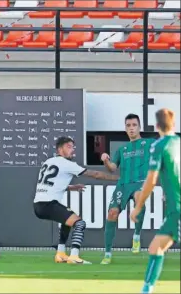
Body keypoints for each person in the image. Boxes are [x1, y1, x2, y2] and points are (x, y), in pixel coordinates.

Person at [33, 136, 119, 264]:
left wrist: (71, 187)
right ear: (60, 149)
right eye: (69, 146)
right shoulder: (67, 164)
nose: (72, 149)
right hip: (49, 204)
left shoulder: (48, 162)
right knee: (80, 223)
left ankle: (60, 254)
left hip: (38, 205)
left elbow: (50, 184)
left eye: (73, 147)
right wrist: (118, 179)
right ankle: (74, 256)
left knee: (67, 222)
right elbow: (95, 174)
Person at [130, 109, 180, 294]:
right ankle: (147, 289)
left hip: (178, 208)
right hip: (175, 209)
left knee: (156, 248)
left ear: (156, 126)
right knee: (156, 247)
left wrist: (138, 207)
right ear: (173, 124)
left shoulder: (159, 146)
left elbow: (151, 181)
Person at [100, 114, 156, 264]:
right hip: (123, 184)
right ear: (125, 128)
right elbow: (112, 168)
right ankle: (107, 253)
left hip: (141, 182)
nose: (131, 128)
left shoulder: (149, 142)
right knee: (112, 213)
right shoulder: (122, 149)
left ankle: (136, 236)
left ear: (139, 127)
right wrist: (106, 160)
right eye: (128, 125)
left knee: (139, 198)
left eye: (134, 125)